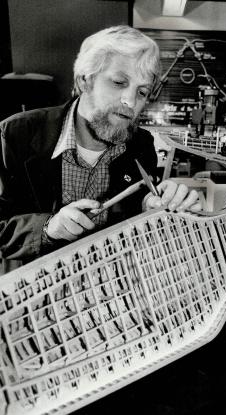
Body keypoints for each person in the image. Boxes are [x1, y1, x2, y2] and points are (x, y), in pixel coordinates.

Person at [0, 25, 202, 274]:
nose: (130, 102)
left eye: (142, 92)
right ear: (84, 80)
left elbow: (136, 212)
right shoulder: (14, 135)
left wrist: (153, 205)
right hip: (36, 293)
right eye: (119, 82)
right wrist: (48, 228)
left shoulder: (141, 145)